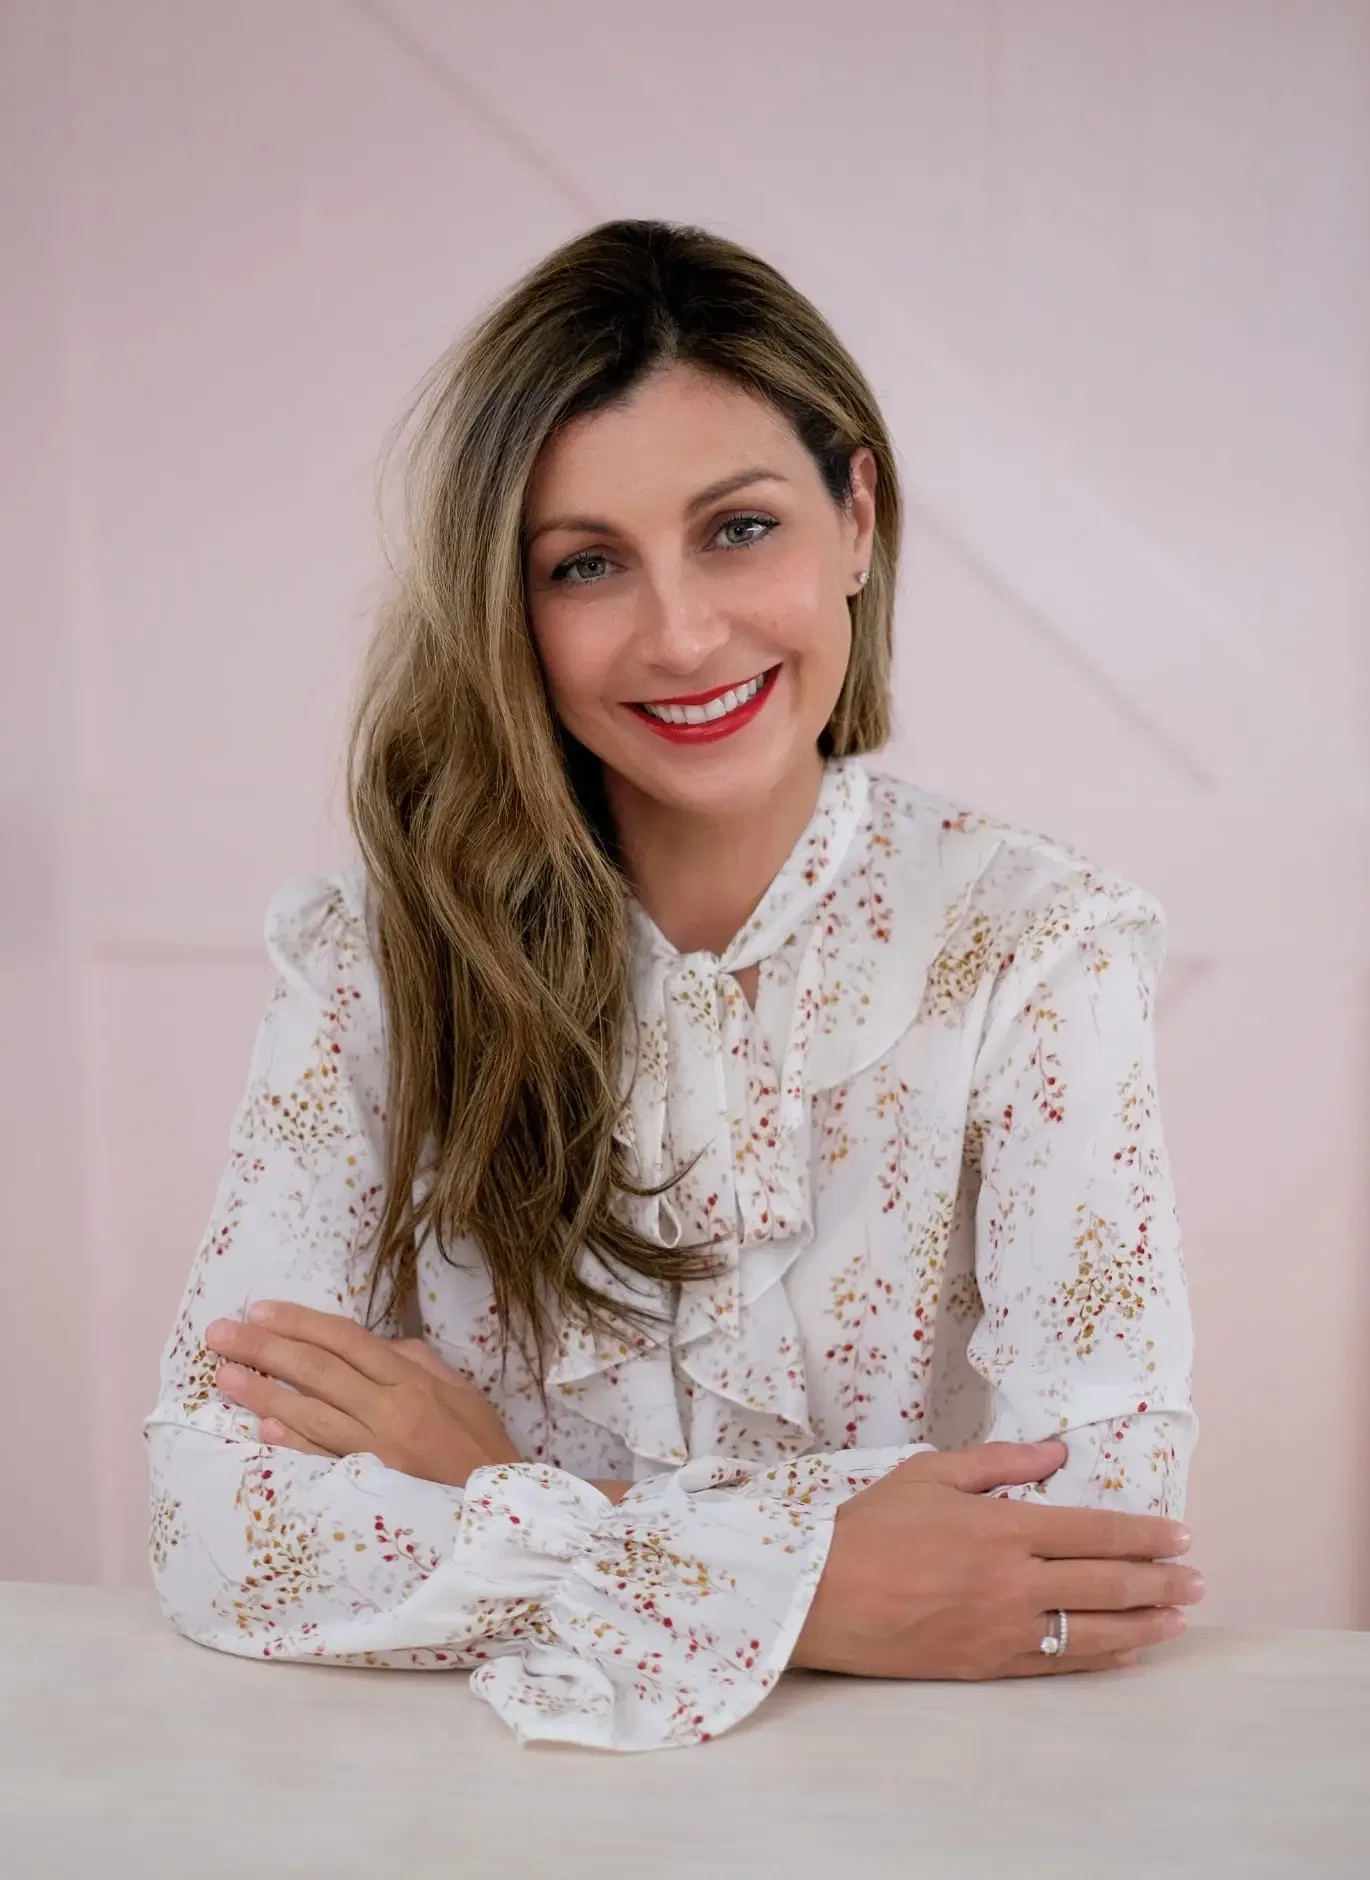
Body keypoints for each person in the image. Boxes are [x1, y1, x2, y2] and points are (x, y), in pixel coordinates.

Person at [145, 219, 1202, 1753]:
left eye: (737, 529)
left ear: (855, 520)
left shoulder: (1038, 949)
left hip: (921, 1804)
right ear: (508, 610)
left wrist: (490, 1485)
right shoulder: (372, 962)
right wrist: (826, 1580)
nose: (682, 632)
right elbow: (209, 1520)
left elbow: (1094, 1528)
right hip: (453, 1814)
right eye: (585, 565)